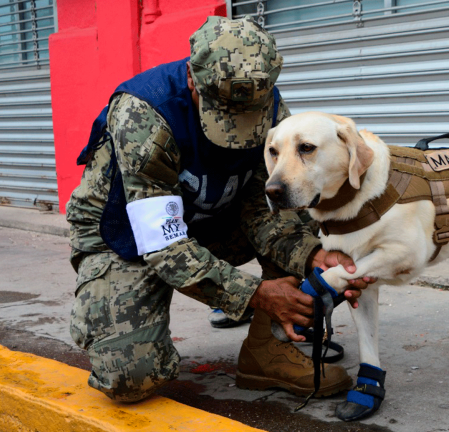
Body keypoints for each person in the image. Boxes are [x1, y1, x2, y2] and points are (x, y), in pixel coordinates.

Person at [65, 15, 370, 403]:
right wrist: (254, 294)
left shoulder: (271, 106)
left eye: (249, 116)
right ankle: (143, 315)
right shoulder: (145, 114)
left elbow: (265, 208)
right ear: (193, 79)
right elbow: (162, 242)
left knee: (299, 210)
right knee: (130, 377)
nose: (240, 129)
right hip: (122, 239)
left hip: (208, 224)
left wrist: (314, 256)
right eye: (226, 115)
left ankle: (265, 351)